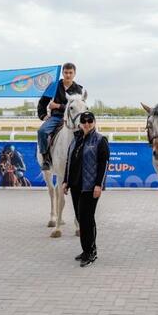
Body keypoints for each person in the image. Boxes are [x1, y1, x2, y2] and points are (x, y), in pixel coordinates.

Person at [62, 111, 109, 267]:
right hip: (76, 185)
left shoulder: (100, 140)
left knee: (87, 219)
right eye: (84, 121)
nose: (87, 124)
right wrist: (65, 181)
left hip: (90, 187)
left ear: (94, 122)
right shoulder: (76, 139)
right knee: (81, 219)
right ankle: (87, 249)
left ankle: (91, 252)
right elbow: (69, 161)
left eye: (90, 121)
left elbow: (104, 164)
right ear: (80, 123)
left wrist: (98, 184)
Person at [37, 62, 84, 170]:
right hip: (56, 118)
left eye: (70, 73)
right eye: (66, 72)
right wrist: (43, 115)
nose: (68, 75)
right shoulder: (53, 86)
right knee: (42, 132)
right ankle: (46, 159)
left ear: (74, 74)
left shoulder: (78, 89)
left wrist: (57, 105)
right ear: (62, 72)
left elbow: (78, 107)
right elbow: (42, 102)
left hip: (72, 119)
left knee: (85, 134)